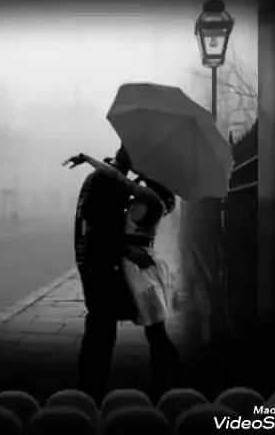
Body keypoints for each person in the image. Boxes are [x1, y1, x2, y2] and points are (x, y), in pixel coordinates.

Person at [63, 147, 182, 404]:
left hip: (137, 271)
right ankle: (168, 384)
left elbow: (119, 184)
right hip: (130, 268)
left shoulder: (148, 197)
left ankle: (169, 381)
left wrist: (89, 159)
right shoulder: (143, 195)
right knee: (150, 329)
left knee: (150, 329)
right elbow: (105, 220)